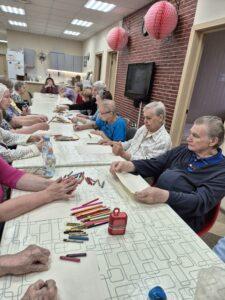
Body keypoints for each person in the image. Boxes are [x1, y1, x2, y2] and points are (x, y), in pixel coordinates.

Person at [110, 116, 225, 232]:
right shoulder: (184, 150)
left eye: (195, 136)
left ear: (213, 141)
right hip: (155, 204)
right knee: (118, 213)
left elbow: (200, 201)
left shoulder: (221, 171)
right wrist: (131, 165)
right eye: (190, 133)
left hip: (182, 219)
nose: (188, 138)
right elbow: (157, 163)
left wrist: (165, 196)